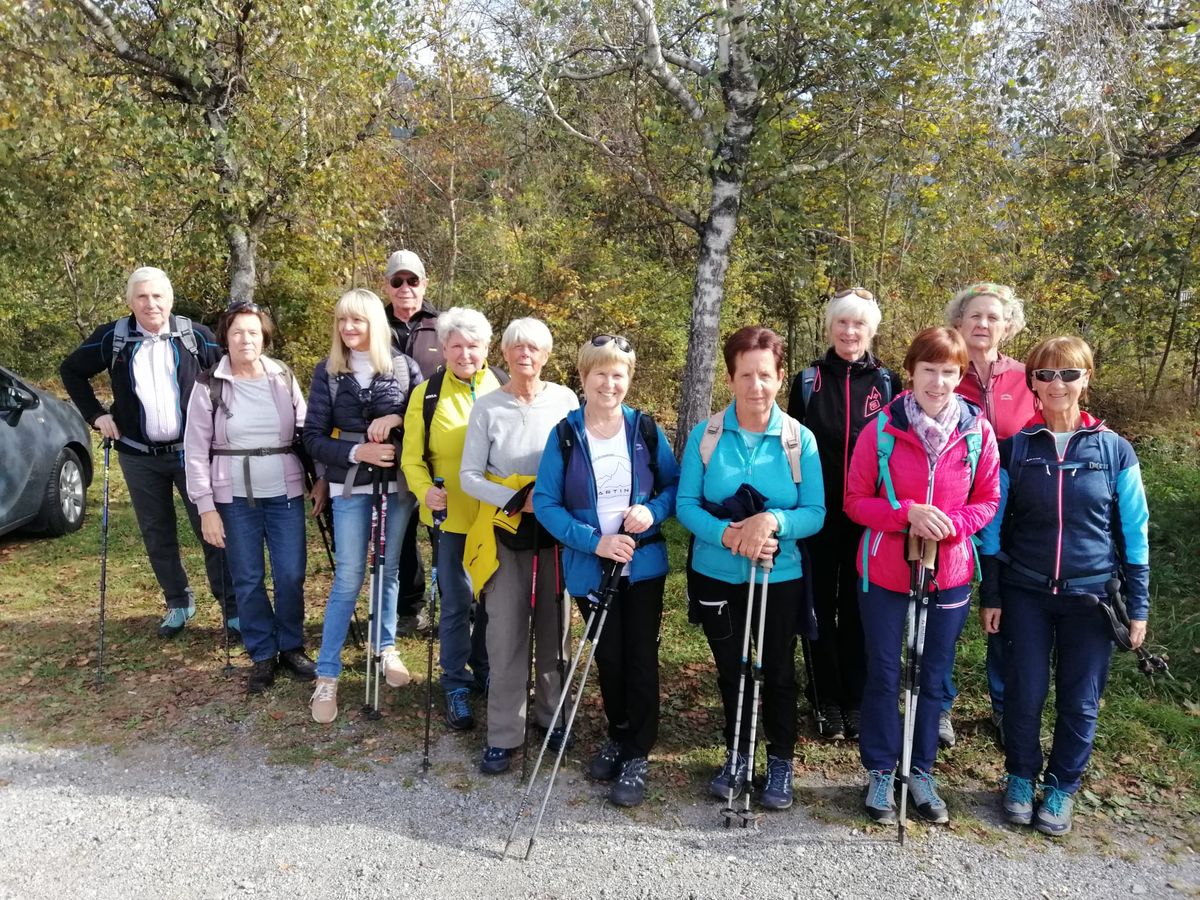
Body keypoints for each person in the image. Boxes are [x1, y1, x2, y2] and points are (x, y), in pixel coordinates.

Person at [978, 336, 1150, 837]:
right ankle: (1019, 777)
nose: (1057, 384)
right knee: (1024, 692)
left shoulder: (1115, 450)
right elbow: (992, 530)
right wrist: (992, 594)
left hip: (1092, 597)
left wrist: (1136, 606)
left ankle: (1061, 787)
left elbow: (1134, 531)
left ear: (1086, 380)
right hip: (1025, 591)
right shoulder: (1014, 450)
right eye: (1046, 374)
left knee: (1081, 699)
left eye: (1069, 374)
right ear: (1032, 381)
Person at [844, 326, 999, 826]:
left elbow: (989, 501)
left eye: (949, 372)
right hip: (884, 571)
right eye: (928, 370)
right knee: (886, 673)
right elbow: (855, 501)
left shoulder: (977, 431)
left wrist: (955, 525)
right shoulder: (881, 429)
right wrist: (905, 513)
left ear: (960, 375)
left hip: (949, 572)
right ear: (909, 373)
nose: (938, 382)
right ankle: (882, 770)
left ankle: (923, 771)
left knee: (933, 676)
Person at [677, 326, 825, 812]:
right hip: (716, 574)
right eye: (746, 375)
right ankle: (737, 753)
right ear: (731, 377)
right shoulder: (707, 435)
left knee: (779, 670)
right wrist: (728, 535)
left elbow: (815, 513)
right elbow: (685, 504)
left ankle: (780, 759)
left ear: (781, 377)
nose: (755, 386)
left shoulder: (797, 440)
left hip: (777, 578)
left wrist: (771, 520)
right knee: (731, 670)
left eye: (765, 375)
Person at [533, 334, 680, 807]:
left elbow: (675, 486)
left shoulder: (645, 430)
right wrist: (595, 540)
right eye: (601, 373)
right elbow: (546, 503)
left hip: (642, 566)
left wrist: (652, 513)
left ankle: (639, 750)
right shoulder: (565, 434)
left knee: (639, 658)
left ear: (628, 380)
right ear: (584, 378)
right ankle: (617, 735)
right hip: (589, 567)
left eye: (619, 374)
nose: (609, 383)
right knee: (609, 657)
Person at [61, 266, 234, 638]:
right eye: (142, 296)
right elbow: (72, 370)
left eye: (157, 296)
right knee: (157, 533)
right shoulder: (113, 337)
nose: (150, 303)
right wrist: (96, 415)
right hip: (138, 455)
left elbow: (227, 375)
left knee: (212, 529)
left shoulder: (194, 335)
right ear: (130, 301)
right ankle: (178, 602)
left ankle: (232, 608)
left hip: (194, 455)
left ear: (169, 298)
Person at [460, 318, 578, 775]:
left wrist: (552, 501)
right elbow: (469, 476)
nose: (524, 354)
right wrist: (516, 499)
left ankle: (553, 721)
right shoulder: (488, 408)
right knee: (505, 636)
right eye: (516, 348)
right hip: (504, 534)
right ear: (504, 355)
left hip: (556, 534)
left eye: (534, 348)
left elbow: (579, 460)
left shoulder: (566, 400)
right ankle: (503, 735)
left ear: (547, 355)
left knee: (555, 632)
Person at [302, 289, 422, 723]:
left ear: (375, 323)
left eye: (358, 321)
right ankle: (328, 674)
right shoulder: (329, 373)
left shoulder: (405, 368)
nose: (349, 329)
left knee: (388, 568)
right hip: (349, 486)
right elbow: (312, 436)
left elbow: (423, 420)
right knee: (350, 575)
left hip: (396, 486)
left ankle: (384, 646)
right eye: (342, 321)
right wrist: (357, 454)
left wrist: (398, 418)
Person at [787, 287, 902, 742]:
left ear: (871, 331)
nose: (850, 331)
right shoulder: (807, 381)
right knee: (817, 608)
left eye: (859, 324)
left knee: (859, 608)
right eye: (842, 322)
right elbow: (790, 447)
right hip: (817, 516)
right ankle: (823, 699)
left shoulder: (889, 383)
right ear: (829, 327)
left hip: (869, 518)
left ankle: (856, 698)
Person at [183, 302, 316, 693]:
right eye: (238, 332)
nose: (246, 339)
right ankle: (262, 652)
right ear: (225, 336)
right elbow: (194, 450)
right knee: (248, 577)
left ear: (264, 336)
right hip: (234, 497)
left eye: (253, 332)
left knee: (291, 573)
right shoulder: (209, 385)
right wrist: (205, 507)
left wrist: (320, 479)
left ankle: (291, 646)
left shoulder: (283, 376)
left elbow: (306, 430)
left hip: (285, 492)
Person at [940, 281, 1036, 748]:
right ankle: (938, 704)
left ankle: (1003, 705)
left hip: (1013, 516)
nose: (983, 324)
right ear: (958, 321)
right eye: (974, 315)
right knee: (943, 611)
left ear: (1008, 326)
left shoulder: (1027, 376)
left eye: (993, 317)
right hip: (953, 510)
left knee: (1006, 610)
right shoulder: (942, 369)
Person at [401, 307, 503, 731]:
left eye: (473, 345)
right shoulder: (425, 395)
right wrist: (425, 489)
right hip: (452, 517)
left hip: (497, 518)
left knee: (492, 603)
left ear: (486, 348)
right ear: (442, 348)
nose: (465, 353)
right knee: (457, 602)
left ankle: (485, 670)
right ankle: (455, 683)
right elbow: (410, 458)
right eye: (456, 345)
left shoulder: (501, 386)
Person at [384, 250, 441, 637]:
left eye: (413, 280)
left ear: (424, 282)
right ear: (386, 286)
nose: (406, 288)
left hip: (439, 447)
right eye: (397, 281)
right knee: (401, 533)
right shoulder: (374, 326)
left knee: (445, 528)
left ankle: (458, 601)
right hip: (391, 449)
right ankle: (410, 606)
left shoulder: (444, 326)